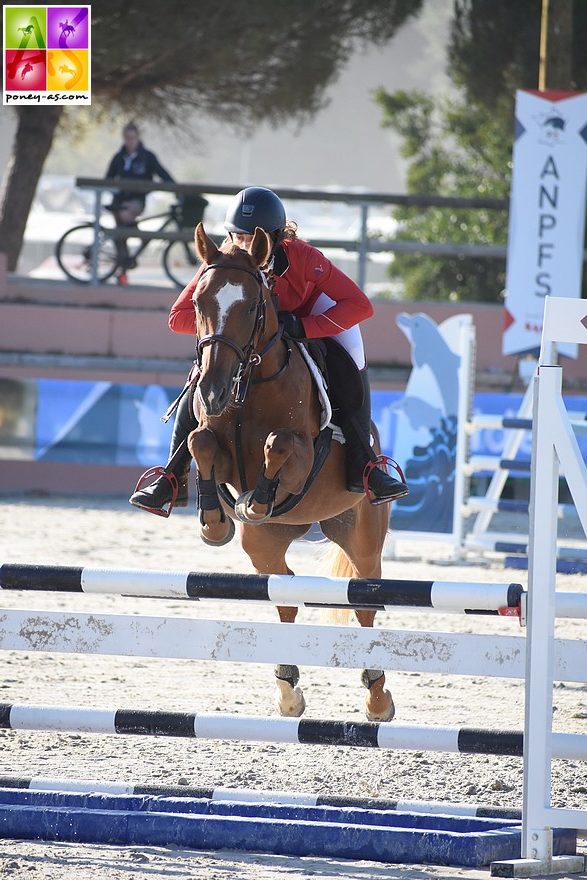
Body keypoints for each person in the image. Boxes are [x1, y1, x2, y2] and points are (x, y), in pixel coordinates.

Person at [130, 186, 408, 514]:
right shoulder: (223, 262)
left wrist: (305, 327)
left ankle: (367, 466)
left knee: (348, 365)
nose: (242, 245)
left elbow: (359, 305)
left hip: (311, 315)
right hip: (248, 337)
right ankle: (171, 478)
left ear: (274, 238)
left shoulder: (305, 259)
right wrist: (224, 331)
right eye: (236, 235)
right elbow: (178, 317)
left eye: (252, 237)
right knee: (199, 377)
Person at [105, 122, 174, 275]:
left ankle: (142, 239)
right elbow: (108, 178)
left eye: (133, 138)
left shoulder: (147, 157)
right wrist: (115, 192)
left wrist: (177, 189)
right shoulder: (118, 157)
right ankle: (122, 267)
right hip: (119, 200)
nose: (130, 141)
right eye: (127, 138)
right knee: (120, 235)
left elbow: (163, 174)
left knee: (125, 219)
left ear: (138, 138)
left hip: (137, 200)